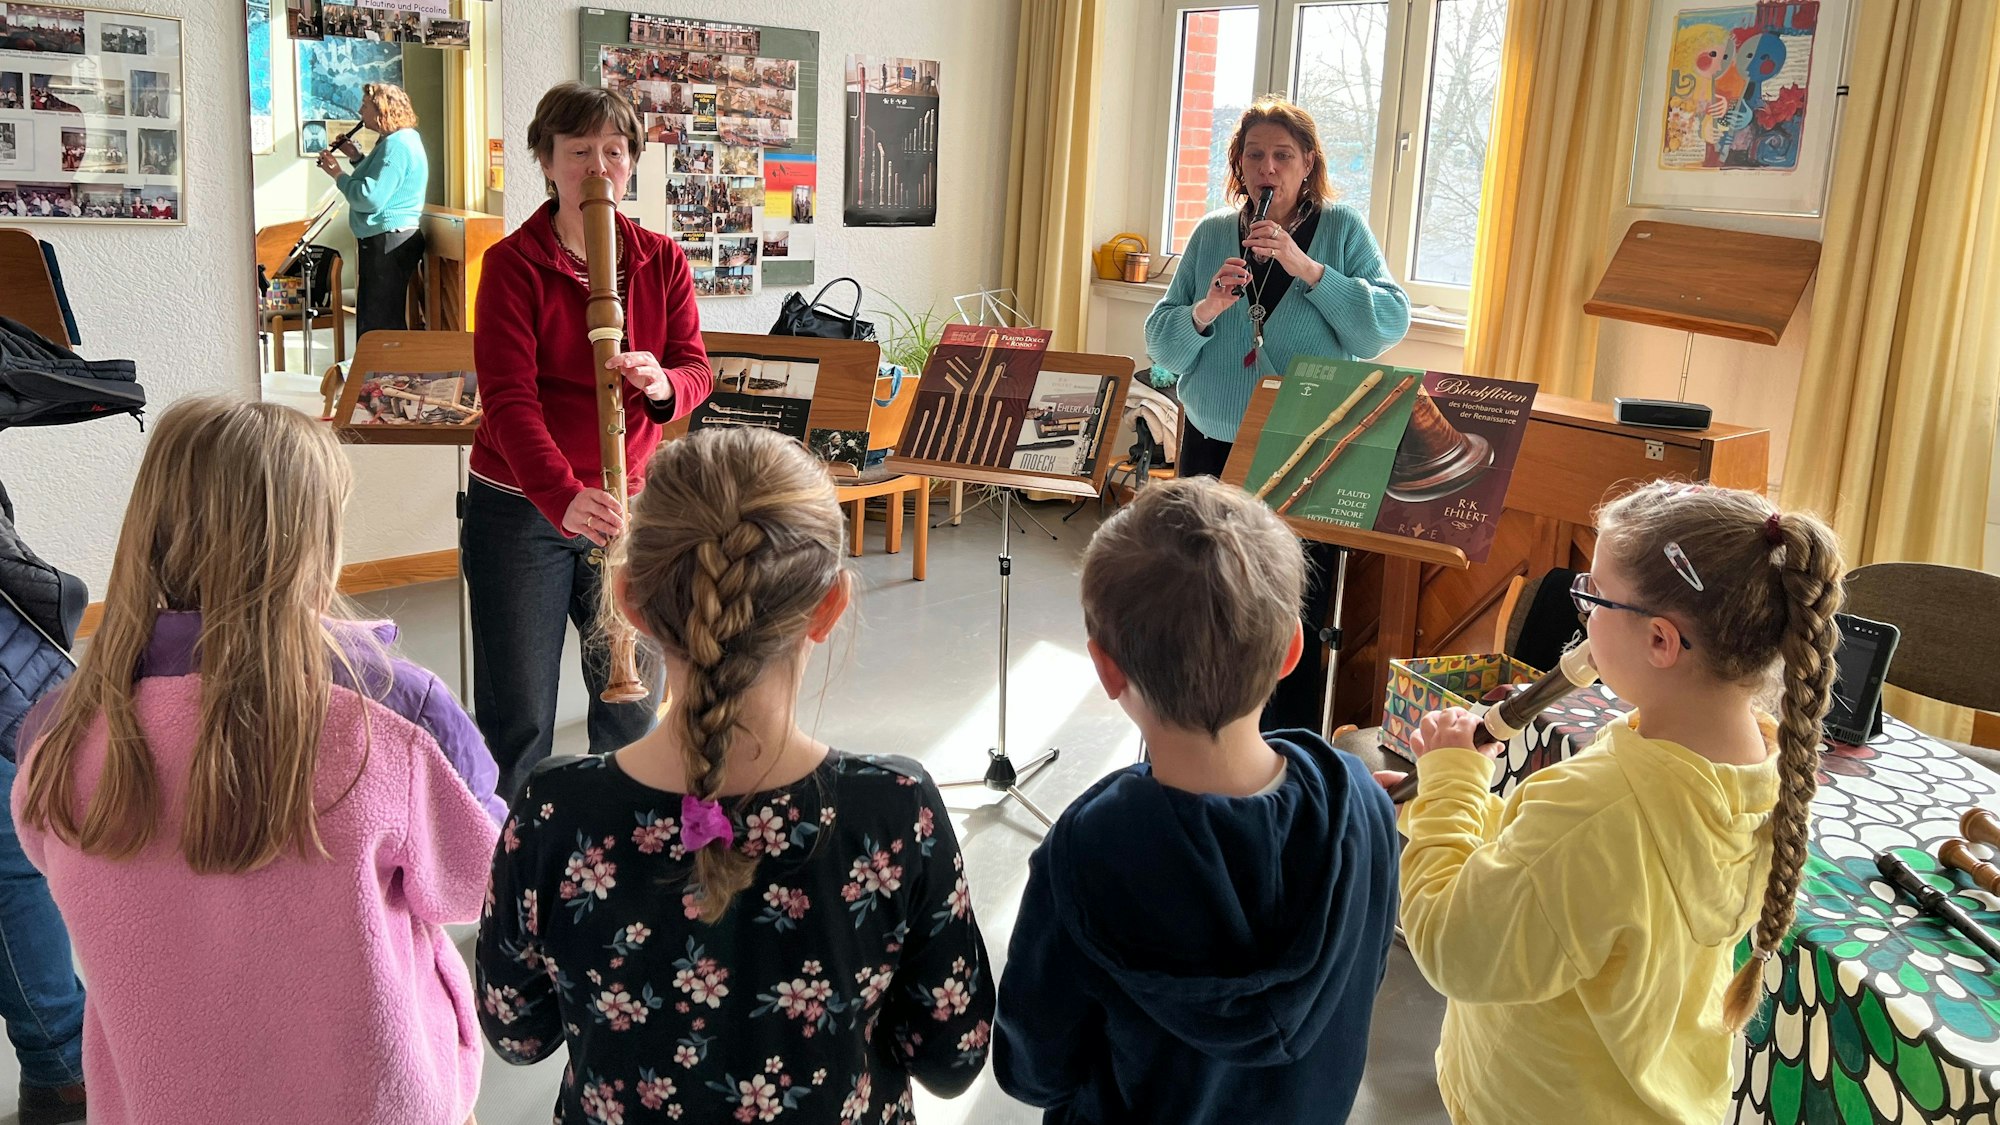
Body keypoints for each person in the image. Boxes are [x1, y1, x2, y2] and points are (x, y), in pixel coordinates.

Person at [476, 428, 993, 1125]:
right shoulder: (896, 812)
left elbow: (518, 1032)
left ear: (627, 600)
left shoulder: (554, 809)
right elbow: (953, 1058)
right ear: (829, 606)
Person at [12, 397, 502, 1125]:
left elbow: (56, 866)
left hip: (160, 1102)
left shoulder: (56, 733)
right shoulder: (396, 713)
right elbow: (478, 883)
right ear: (316, 538)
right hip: (378, 1101)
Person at [1382, 482, 1843, 1124]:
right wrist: (1447, 799)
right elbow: (1551, 881)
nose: (1583, 616)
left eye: (1593, 597)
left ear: (1660, 641)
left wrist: (1452, 785)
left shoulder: (1598, 808)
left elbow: (1452, 946)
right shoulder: (1760, 773)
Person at [993, 476, 1400, 1124]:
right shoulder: (1361, 803)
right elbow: (1363, 977)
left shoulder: (1087, 850)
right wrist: (1360, 808)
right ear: (1292, 650)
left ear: (1106, 668)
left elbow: (1033, 1069)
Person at [468, 81, 712, 799]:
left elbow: (696, 369)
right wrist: (561, 495)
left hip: (628, 504)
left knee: (633, 707)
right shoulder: (512, 266)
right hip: (522, 509)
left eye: (614, 151)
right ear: (547, 163)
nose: (598, 167)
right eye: (579, 152)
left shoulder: (662, 259)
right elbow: (508, 401)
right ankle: (513, 854)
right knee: (520, 715)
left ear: (631, 162)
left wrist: (662, 383)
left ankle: (623, 846)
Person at [1143, 95, 1411, 733]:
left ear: (1308, 163)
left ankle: (1288, 745)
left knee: (1296, 606)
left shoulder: (1342, 229)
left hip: (1310, 446)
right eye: (1255, 155)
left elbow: (1386, 324)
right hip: (1216, 441)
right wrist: (1208, 307)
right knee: (1206, 594)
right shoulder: (1213, 233)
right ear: (1238, 163)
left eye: (1283, 156)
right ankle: (1203, 731)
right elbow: (1162, 346)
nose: (1268, 168)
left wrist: (1306, 268)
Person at [318, 82, 429, 339]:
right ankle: (381, 366)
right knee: (380, 317)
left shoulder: (396, 145)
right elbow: (383, 181)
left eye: (365, 105)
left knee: (378, 324)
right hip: (392, 238)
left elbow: (370, 198)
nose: (360, 111)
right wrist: (356, 157)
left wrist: (337, 174)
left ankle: (382, 367)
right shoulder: (403, 139)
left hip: (388, 240)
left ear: (382, 110)